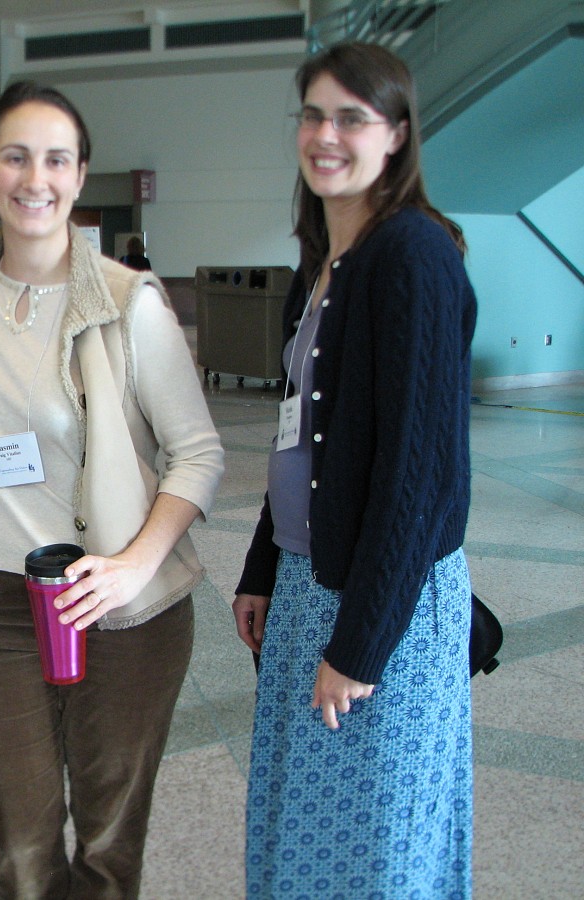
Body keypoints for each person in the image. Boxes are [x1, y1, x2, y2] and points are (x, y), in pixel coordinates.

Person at [0, 82, 224, 897]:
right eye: (16, 157)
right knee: (20, 851)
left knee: (106, 846)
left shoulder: (131, 305)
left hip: (120, 608)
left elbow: (198, 455)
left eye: (56, 159)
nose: (36, 178)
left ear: (80, 172)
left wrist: (134, 564)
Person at [231, 42, 477, 898]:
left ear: (397, 135)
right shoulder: (325, 262)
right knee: (299, 834)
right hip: (311, 586)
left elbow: (424, 477)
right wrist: (264, 567)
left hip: (386, 610)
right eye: (313, 114)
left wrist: (362, 646)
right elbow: (300, 435)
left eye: (351, 118)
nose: (325, 134)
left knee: (376, 850)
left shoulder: (413, 257)